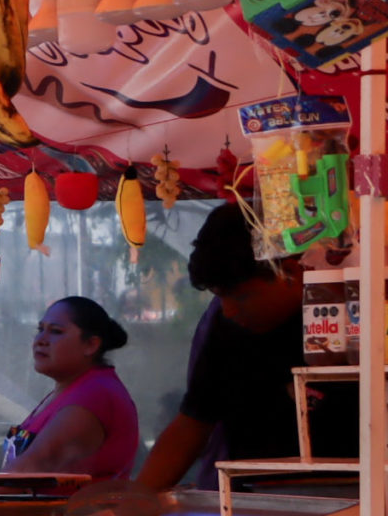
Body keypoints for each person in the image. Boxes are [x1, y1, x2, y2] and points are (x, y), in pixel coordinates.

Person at [138, 202, 354, 488]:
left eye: (239, 297)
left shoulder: (351, 318)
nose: (227, 311)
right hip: (249, 505)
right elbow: (192, 424)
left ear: (290, 272)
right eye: (219, 297)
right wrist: (135, 501)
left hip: (354, 504)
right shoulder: (227, 327)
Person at [4, 298, 139, 477]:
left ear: (91, 345)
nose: (40, 340)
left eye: (56, 331)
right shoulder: (67, 391)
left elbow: (31, 467)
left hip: (75, 506)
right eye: (40, 329)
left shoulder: (95, 394)